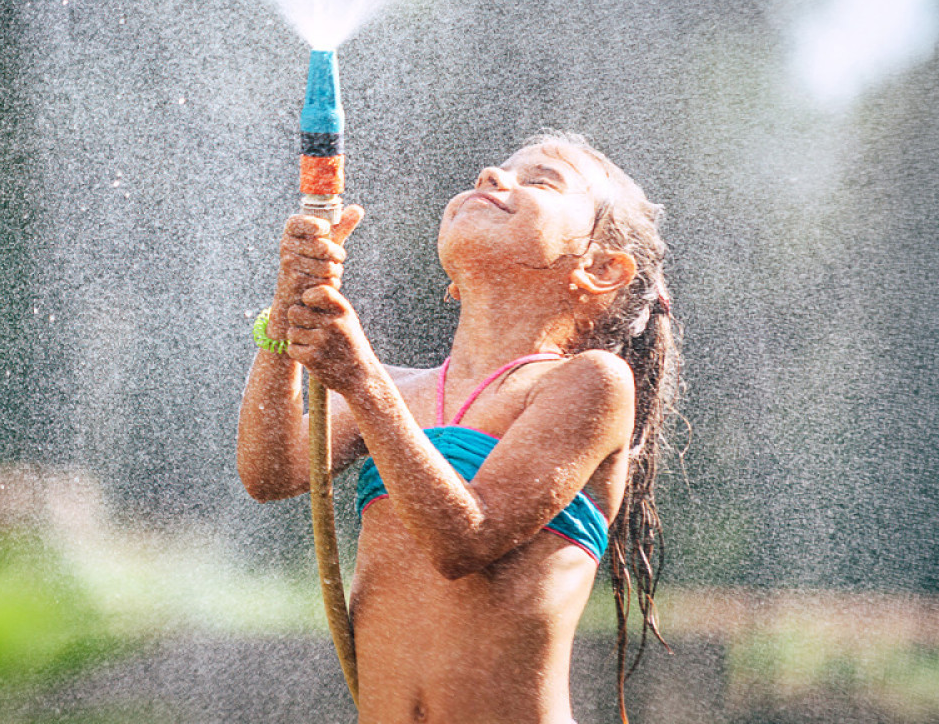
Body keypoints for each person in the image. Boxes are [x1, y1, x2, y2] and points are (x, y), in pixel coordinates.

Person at [237, 133, 681, 724]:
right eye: (491, 173)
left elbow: (464, 541)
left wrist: (361, 380)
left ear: (601, 268)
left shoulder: (590, 384)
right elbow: (270, 472)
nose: (493, 174)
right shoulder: (395, 389)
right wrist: (286, 312)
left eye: (543, 180)